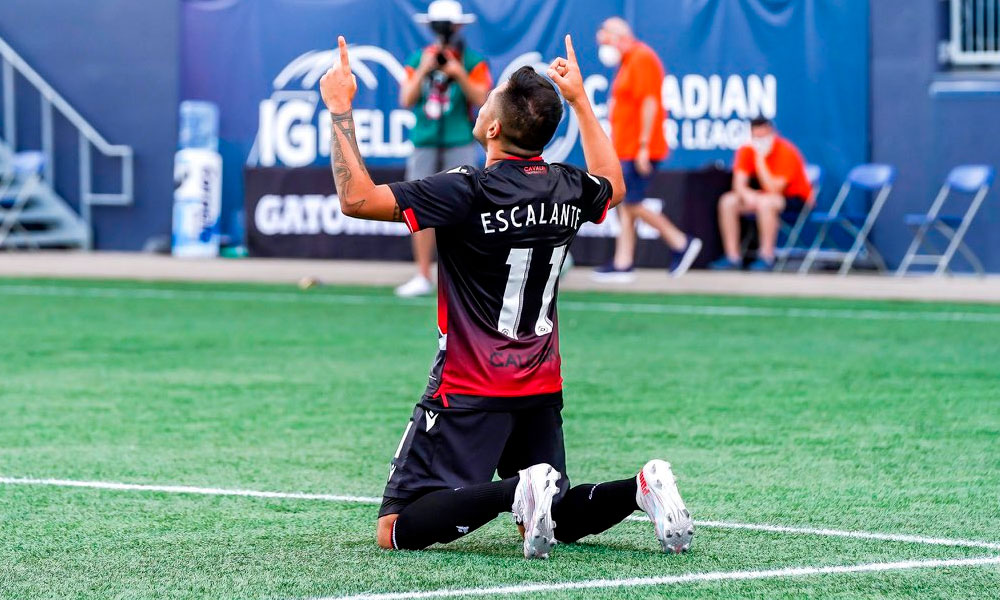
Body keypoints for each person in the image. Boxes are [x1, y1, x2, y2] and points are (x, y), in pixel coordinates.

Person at [320, 34, 694, 558]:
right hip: (540, 382)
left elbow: (356, 199)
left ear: (493, 127)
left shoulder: (467, 188)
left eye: (492, 92)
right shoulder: (567, 185)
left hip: (471, 384)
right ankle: (641, 488)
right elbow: (614, 181)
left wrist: (339, 108)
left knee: (396, 528)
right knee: (555, 521)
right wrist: (582, 100)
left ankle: (516, 489)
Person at [394, 0, 492, 297]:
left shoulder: (472, 60)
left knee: (467, 206)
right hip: (425, 140)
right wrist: (425, 68)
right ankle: (423, 273)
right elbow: (407, 99)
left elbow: (483, 98)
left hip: (459, 139)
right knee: (418, 205)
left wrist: (458, 72)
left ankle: (465, 275)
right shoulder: (417, 58)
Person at [591, 17, 701, 282]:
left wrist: (642, 146)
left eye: (605, 40)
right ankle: (623, 262)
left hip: (639, 148)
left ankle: (680, 241)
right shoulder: (627, 62)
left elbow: (651, 104)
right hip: (625, 147)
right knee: (625, 206)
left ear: (618, 36)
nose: (604, 47)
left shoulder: (642, 58)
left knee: (631, 203)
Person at [710, 117, 813, 271]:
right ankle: (732, 257)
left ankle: (766, 256)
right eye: (756, 137)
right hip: (761, 196)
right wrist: (748, 196)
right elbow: (738, 184)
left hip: (794, 199)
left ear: (772, 133)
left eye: (763, 136)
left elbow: (774, 189)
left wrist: (760, 159)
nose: (760, 141)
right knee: (728, 201)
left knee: (766, 203)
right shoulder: (746, 150)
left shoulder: (786, 151)